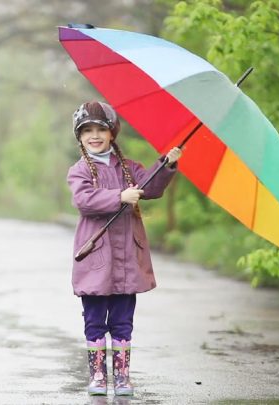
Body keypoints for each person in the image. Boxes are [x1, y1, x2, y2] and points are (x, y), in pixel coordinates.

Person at [66, 101, 182, 396]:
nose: (95, 135)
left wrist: (166, 164)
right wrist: (120, 196)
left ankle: (121, 376)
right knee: (94, 320)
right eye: (88, 130)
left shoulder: (129, 168)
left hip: (127, 259)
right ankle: (97, 377)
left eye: (101, 129)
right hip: (97, 259)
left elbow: (151, 187)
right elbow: (85, 200)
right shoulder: (79, 171)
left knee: (122, 320)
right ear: (80, 137)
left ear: (112, 133)